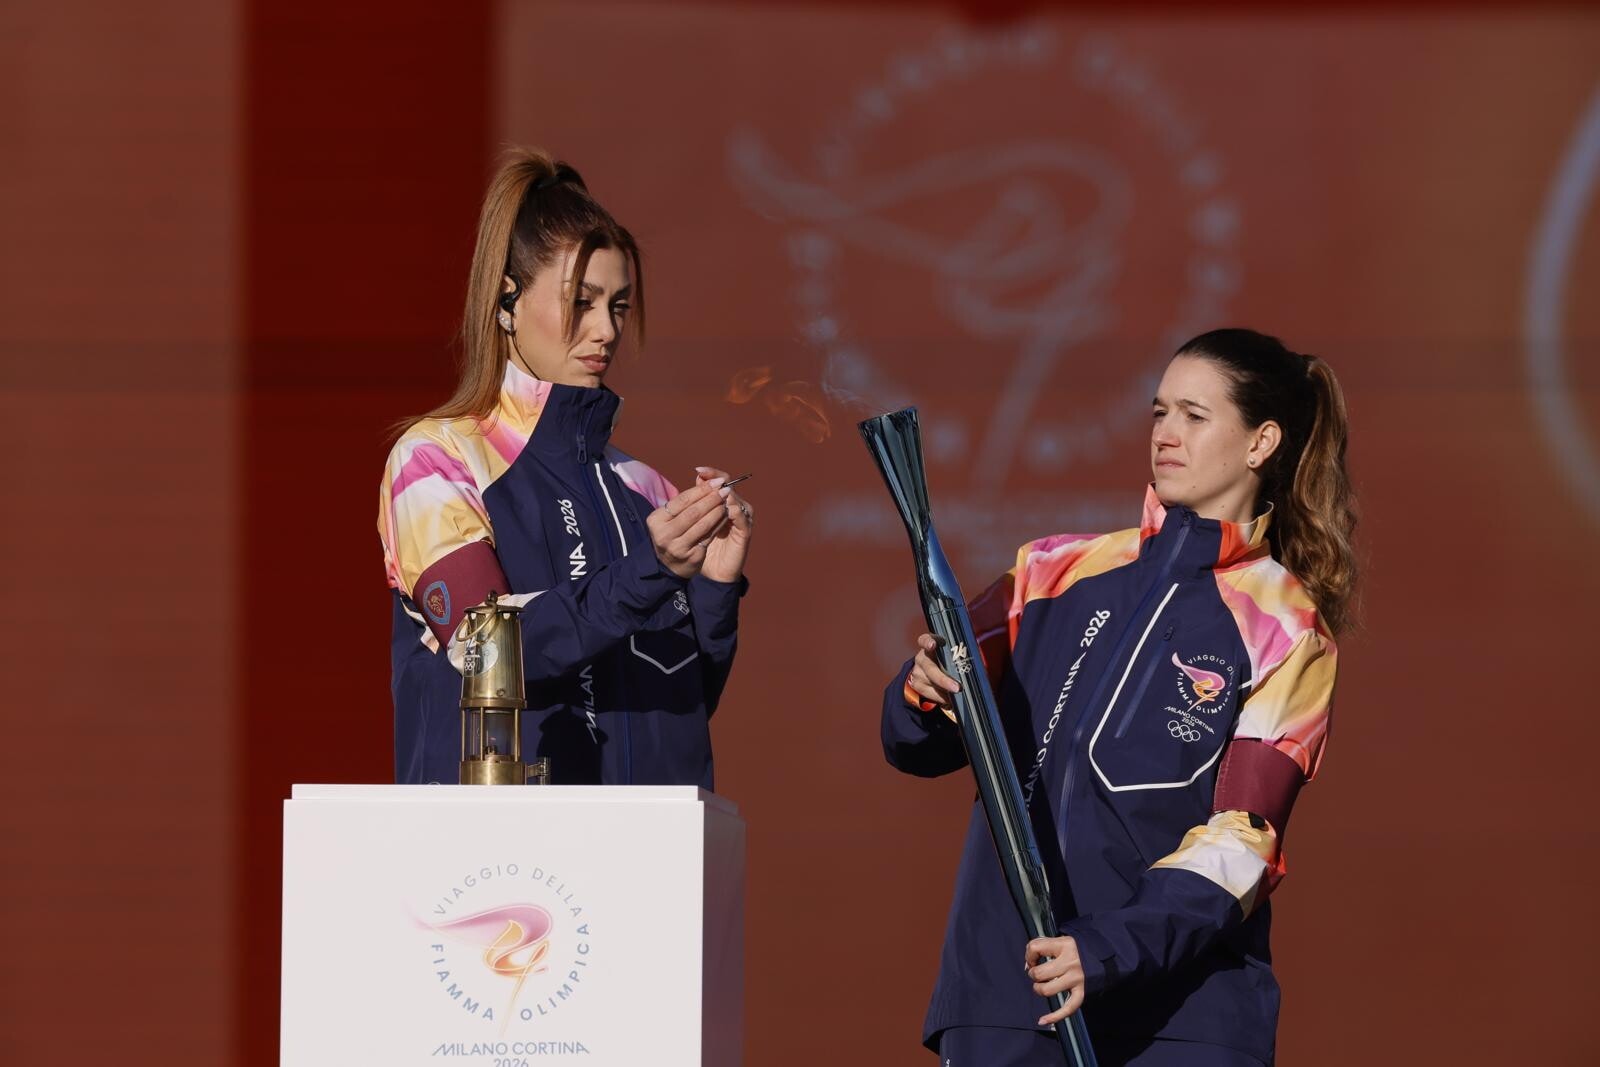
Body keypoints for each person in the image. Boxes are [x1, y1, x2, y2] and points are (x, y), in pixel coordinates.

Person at [884, 329, 1356, 1066]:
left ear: (1261, 442)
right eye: (1159, 412)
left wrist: (1106, 947)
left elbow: (1244, 839)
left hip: (1179, 1020)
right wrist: (924, 691)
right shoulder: (1051, 569)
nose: (1165, 433)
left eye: (1194, 416)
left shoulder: (1287, 626)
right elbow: (918, 737)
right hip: (1008, 997)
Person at [379, 149, 752, 787]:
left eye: (620, 306)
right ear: (507, 300)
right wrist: (651, 571)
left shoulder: (647, 489)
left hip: (648, 843)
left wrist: (716, 590)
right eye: (581, 302)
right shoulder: (437, 458)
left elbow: (680, 713)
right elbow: (487, 654)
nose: (605, 330)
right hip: (500, 844)